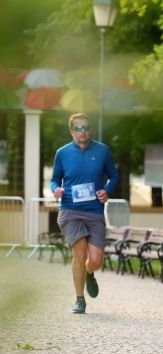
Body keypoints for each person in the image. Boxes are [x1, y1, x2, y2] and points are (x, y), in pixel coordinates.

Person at [50, 113, 119, 314]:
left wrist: (107, 190)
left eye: (86, 128)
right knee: (79, 254)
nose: (83, 132)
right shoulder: (62, 153)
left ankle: (89, 272)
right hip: (70, 210)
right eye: (79, 128)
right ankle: (80, 299)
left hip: (94, 211)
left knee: (96, 260)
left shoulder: (102, 151)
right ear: (72, 131)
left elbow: (113, 176)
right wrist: (56, 190)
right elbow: (54, 179)